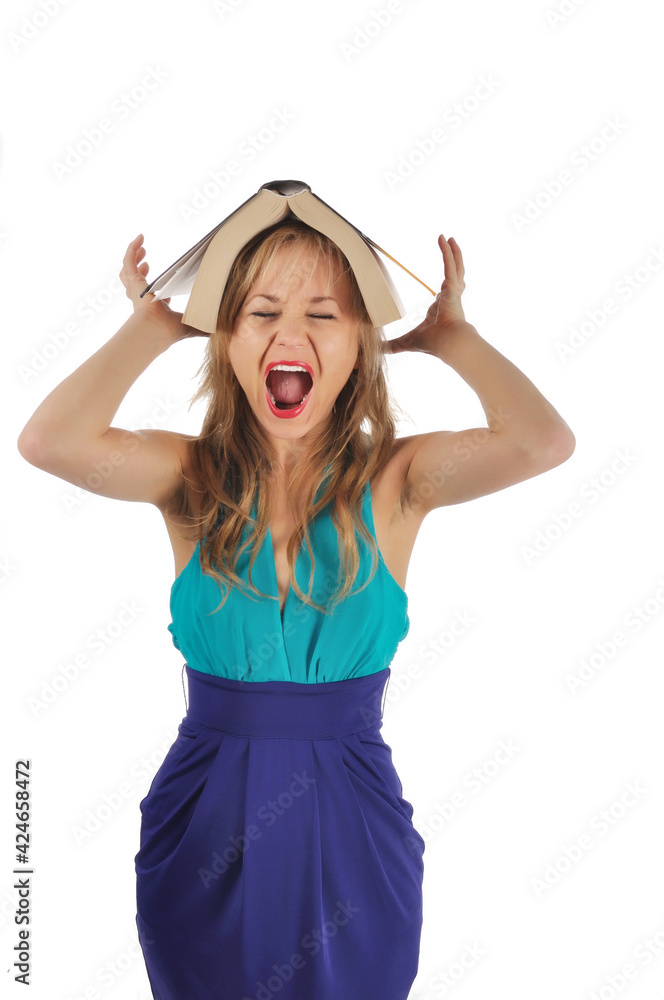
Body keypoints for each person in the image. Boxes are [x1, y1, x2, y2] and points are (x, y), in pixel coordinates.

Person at [17, 216, 575, 1000]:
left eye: (322, 314)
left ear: (358, 345)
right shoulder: (188, 478)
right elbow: (49, 443)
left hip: (352, 830)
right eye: (260, 312)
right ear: (227, 340)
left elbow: (543, 443)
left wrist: (456, 339)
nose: (291, 332)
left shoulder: (401, 479)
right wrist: (148, 329)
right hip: (204, 828)